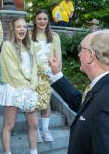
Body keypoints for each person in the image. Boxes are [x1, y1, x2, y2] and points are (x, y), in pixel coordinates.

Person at [48, 29, 109, 154]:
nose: (78, 54)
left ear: (90, 55)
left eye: (81, 49)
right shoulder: (108, 85)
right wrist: (57, 75)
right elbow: (83, 106)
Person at [0, 17, 39, 154]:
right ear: (13, 29)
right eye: (18, 27)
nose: (22, 29)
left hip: (29, 89)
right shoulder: (7, 46)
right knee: (9, 125)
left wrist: (33, 86)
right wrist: (26, 88)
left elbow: (34, 67)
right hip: (14, 89)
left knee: (34, 123)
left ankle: (33, 151)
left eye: (24, 27)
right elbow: (12, 71)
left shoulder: (30, 45)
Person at [31, 9, 62, 142]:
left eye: (44, 18)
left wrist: (55, 72)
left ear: (48, 20)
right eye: (39, 18)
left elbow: (58, 56)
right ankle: (36, 130)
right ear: (35, 20)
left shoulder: (54, 36)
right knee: (35, 102)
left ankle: (45, 130)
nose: (42, 21)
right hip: (34, 73)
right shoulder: (29, 36)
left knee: (46, 102)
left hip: (49, 73)